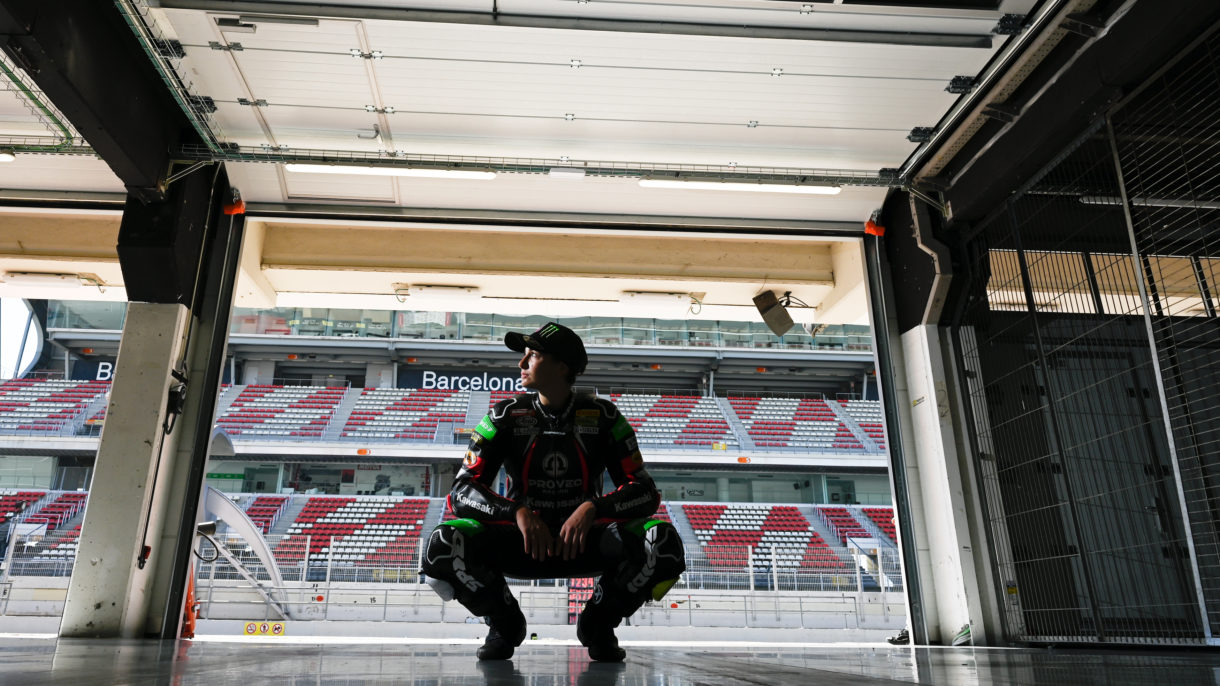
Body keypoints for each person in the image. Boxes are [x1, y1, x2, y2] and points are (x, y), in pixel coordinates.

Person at [421, 321, 686, 662]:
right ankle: (503, 624)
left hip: (587, 542)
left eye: (532, 355)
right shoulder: (504, 415)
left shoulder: (604, 416)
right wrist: (516, 513)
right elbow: (460, 491)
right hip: (522, 543)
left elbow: (645, 492)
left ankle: (599, 625)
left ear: (562, 365)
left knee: (661, 542)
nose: (521, 363)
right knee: (443, 543)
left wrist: (593, 508)